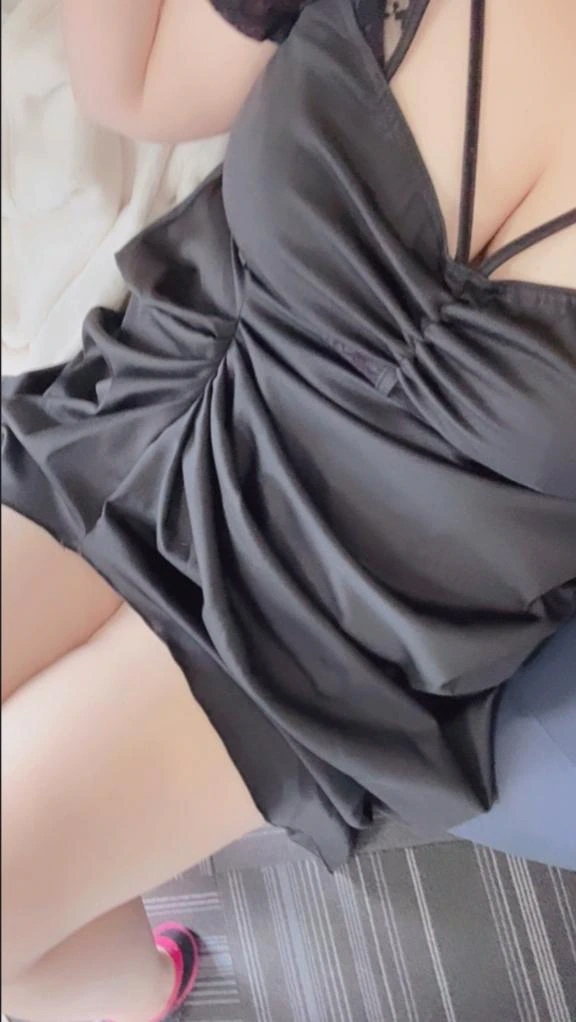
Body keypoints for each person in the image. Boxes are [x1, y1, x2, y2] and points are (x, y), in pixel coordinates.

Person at [2, 1, 575, 1020]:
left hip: (335, 622)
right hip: (158, 404)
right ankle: (124, 984)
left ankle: (118, 983)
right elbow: (138, 89)